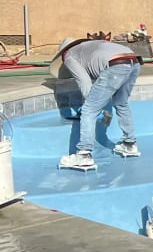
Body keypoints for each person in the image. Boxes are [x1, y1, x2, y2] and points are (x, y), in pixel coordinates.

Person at [56, 35, 142, 171]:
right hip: (134, 62)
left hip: (116, 65)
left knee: (88, 110)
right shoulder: (90, 46)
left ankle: (83, 155)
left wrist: (92, 104)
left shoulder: (69, 56)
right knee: (121, 103)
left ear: (63, 52)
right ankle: (129, 144)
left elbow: (84, 82)